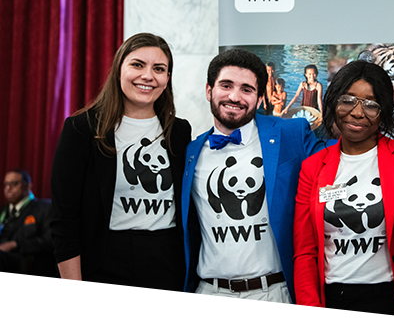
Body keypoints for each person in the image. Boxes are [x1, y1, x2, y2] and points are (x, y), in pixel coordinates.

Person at [51, 33, 191, 291]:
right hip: (104, 263)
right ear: (119, 69)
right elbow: (63, 219)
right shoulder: (81, 129)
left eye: (159, 69)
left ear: (167, 79)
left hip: (168, 262)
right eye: (137, 64)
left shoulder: (179, 132)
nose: (148, 76)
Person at [181, 48, 323, 303]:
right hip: (208, 293)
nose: (235, 96)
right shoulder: (191, 152)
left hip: (273, 292)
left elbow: (338, 161)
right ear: (208, 90)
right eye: (226, 85)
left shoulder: (291, 134)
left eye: (246, 89)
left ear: (259, 100)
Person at [293, 60, 394, 316]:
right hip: (334, 299)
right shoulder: (313, 167)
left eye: (371, 104)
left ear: (384, 111)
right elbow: (305, 252)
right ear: (333, 102)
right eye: (348, 100)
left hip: (392, 299)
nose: (357, 112)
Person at [1, 169, 54, 276]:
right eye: (6, 184)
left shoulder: (45, 208)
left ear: (28, 186)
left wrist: (16, 244)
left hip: (26, 264)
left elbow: (50, 240)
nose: (8, 188)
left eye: (14, 183)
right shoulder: (2, 211)